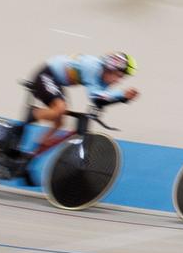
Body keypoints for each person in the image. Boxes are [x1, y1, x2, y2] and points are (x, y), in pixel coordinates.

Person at [16, 52, 138, 185]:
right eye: (118, 76)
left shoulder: (103, 76)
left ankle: (28, 159)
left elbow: (102, 99)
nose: (118, 80)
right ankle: (33, 114)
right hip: (46, 75)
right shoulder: (93, 67)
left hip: (56, 81)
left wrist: (122, 98)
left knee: (59, 124)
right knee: (60, 109)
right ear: (110, 68)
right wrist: (122, 94)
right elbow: (96, 96)